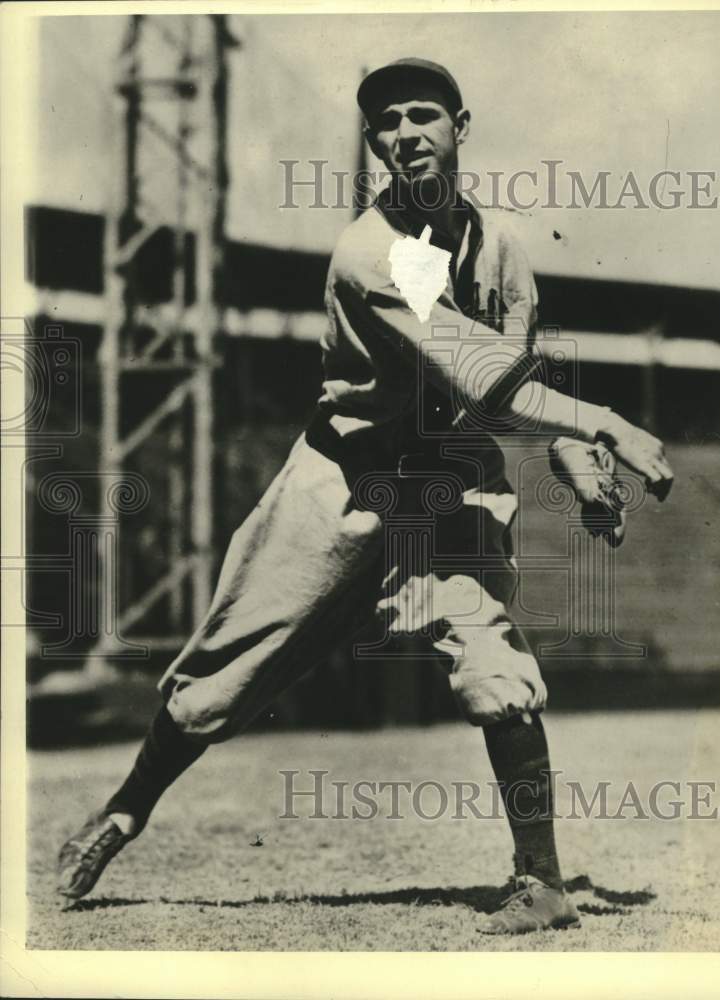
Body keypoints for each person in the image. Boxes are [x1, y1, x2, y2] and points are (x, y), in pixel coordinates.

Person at [57, 58, 673, 936]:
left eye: (423, 114)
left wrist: (572, 454)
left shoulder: (500, 248)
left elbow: (510, 374)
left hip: (448, 482)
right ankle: (123, 813)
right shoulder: (371, 251)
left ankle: (541, 882)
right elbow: (479, 372)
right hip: (343, 477)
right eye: (386, 121)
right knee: (224, 674)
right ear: (374, 143)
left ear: (461, 127)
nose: (405, 133)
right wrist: (604, 422)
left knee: (494, 664)